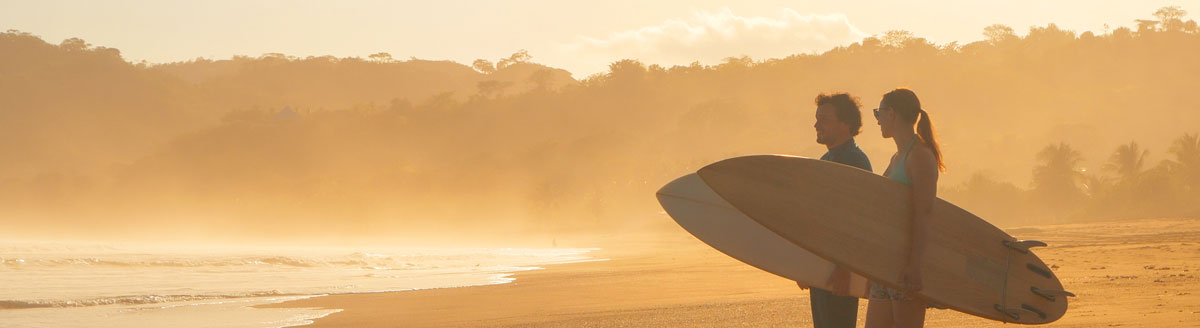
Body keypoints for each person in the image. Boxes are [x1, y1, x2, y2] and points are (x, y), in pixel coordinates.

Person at [864, 88, 945, 328]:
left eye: (878, 113)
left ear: (892, 114)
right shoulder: (897, 157)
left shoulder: (920, 157)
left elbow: (924, 214)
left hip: (906, 266)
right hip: (886, 265)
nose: (877, 121)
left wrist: (916, 266)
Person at [801, 92, 872, 328]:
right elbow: (818, 218)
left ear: (846, 124)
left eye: (824, 119)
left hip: (839, 271)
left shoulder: (855, 161)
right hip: (823, 269)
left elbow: (858, 219)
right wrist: (805, 265)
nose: (816, 125)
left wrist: (845, 267)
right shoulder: (827, 158)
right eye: (816, 118)